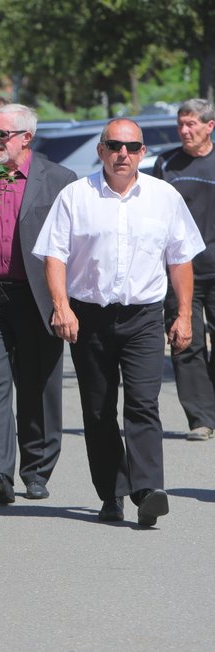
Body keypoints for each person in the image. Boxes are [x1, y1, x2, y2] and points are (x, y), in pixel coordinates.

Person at [33, 118, 204, 528]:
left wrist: (183, 314)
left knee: (144, 404)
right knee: (98, 409)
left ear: (143, 152)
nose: (122, 154)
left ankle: (147, 490)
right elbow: (54, 256)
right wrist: (62, 306)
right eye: (114, 146)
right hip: (89, 315)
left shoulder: (164, 197)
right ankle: (112, 493)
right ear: (101, 151)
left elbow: (180, 259)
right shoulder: (76, 195)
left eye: (131, 147)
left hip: (143, 316)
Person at [0, 104, 77, 505]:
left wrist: (64, 301)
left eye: (0, 135)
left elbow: (73, 247)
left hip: (38, 296)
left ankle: (36, 469)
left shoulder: (59, 180)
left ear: (26, 138)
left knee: (38, 385)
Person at [153, 99, 215, 441]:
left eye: (191, 124)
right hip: (178, 270)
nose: (185, 130)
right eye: (181, 124)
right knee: (185, 342)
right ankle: (201, 418)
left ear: (210, 126)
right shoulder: (166, 163)